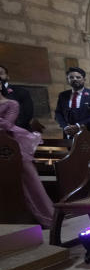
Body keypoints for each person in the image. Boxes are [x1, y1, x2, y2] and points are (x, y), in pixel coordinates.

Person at [0, 89, 54, 226]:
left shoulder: (11, 103)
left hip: (10, 145)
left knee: (29, 177)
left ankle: (46, 214)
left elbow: (7, 124)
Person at [54, 67, 90, 157]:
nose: (74, 79)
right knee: (73, 161)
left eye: (78, 77)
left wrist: (78, 126)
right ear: (67, 80)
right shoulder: (63, 95)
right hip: (69, 135)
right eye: (71, 77)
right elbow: (58, 113)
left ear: (84, 79)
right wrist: (65, 126)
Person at [0, 63, 35, 130]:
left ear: (7, 77)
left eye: (1, 73)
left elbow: (27, 115)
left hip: (17, 134)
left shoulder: (21, 92)